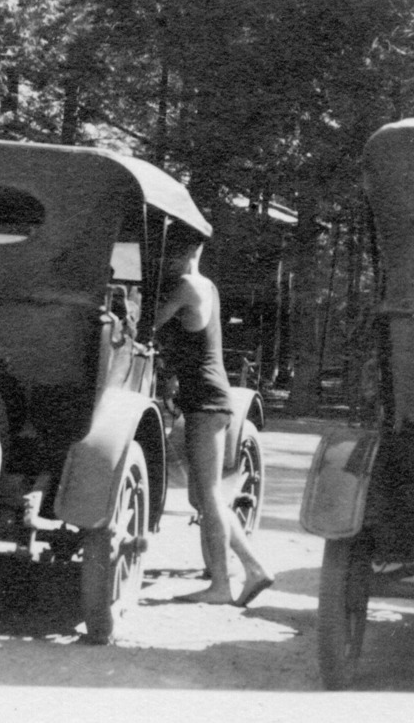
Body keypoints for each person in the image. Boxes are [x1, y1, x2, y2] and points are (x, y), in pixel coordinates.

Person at [154, 235, 272, 608]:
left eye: (175, 252)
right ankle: (253, 568)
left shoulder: (187, 286)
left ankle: (223, 585)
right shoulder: (207, 286)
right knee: (203, 495)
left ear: (193, 252)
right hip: (206, 397)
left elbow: (148, 322)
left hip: (206, 399)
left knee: (209, 495)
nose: (169, 260)